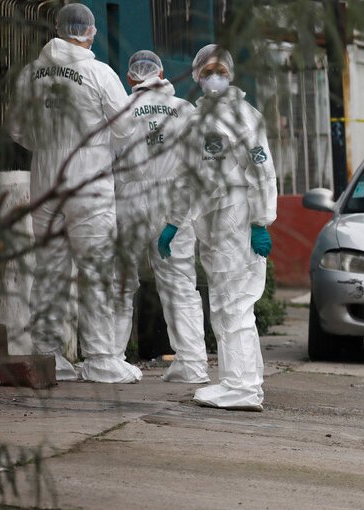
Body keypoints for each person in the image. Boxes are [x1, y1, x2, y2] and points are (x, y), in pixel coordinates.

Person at [9, 3, 141, 383]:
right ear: (90, 31)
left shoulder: (30, 75)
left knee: (49, 270)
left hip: (46, 177)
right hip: (88, 178)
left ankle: (50, 357)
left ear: (57, 28)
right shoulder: (98, 72)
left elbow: (18, 130)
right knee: (95, 268)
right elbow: (125, 126)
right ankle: (101, 358)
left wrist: (49, 144)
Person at [158, 44, 278, 410]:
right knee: (227, 303)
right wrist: (174, 222)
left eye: (220, 71)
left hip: (237, 215)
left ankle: (242, 388)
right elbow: (186, 177)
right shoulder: (196, 120)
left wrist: (261, 221)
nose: (213, 77)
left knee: (234, 303)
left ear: (230, 74)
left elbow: (262, 171)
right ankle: (240, 379)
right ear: (196, 75)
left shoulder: (244, 116)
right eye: (207, 71)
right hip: (212, 220)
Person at [112, 50, 208, 383]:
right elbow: (199, 164)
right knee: (180, 283)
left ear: (130, 78)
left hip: (130, 200)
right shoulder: (186, 110)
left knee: (120, 281)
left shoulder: (121, 109)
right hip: (174, 201)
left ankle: (111, 358)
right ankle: (193, 362)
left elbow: (103, 160)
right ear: (163, 73)